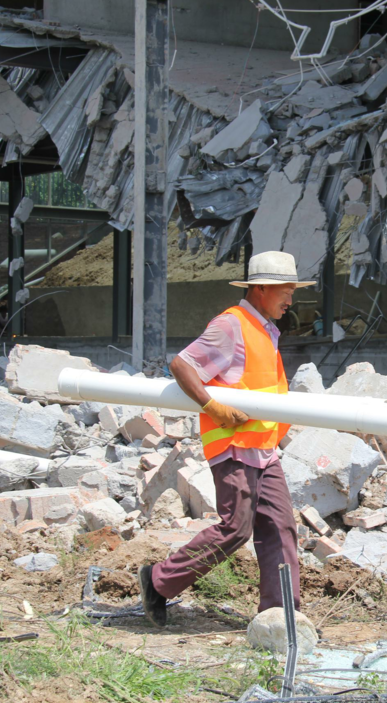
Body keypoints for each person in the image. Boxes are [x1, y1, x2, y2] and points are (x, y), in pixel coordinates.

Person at [138, 251, 315, 627]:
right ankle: (158, 581)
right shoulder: (231, 325)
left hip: (263, 449)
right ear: (262, 289)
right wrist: (212, 406)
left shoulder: (265, 329)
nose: (290, 299)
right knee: (236, 528)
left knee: (280, 527)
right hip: (234, 446)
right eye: (286, 290)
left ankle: (283, 615)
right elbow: (182, 365)